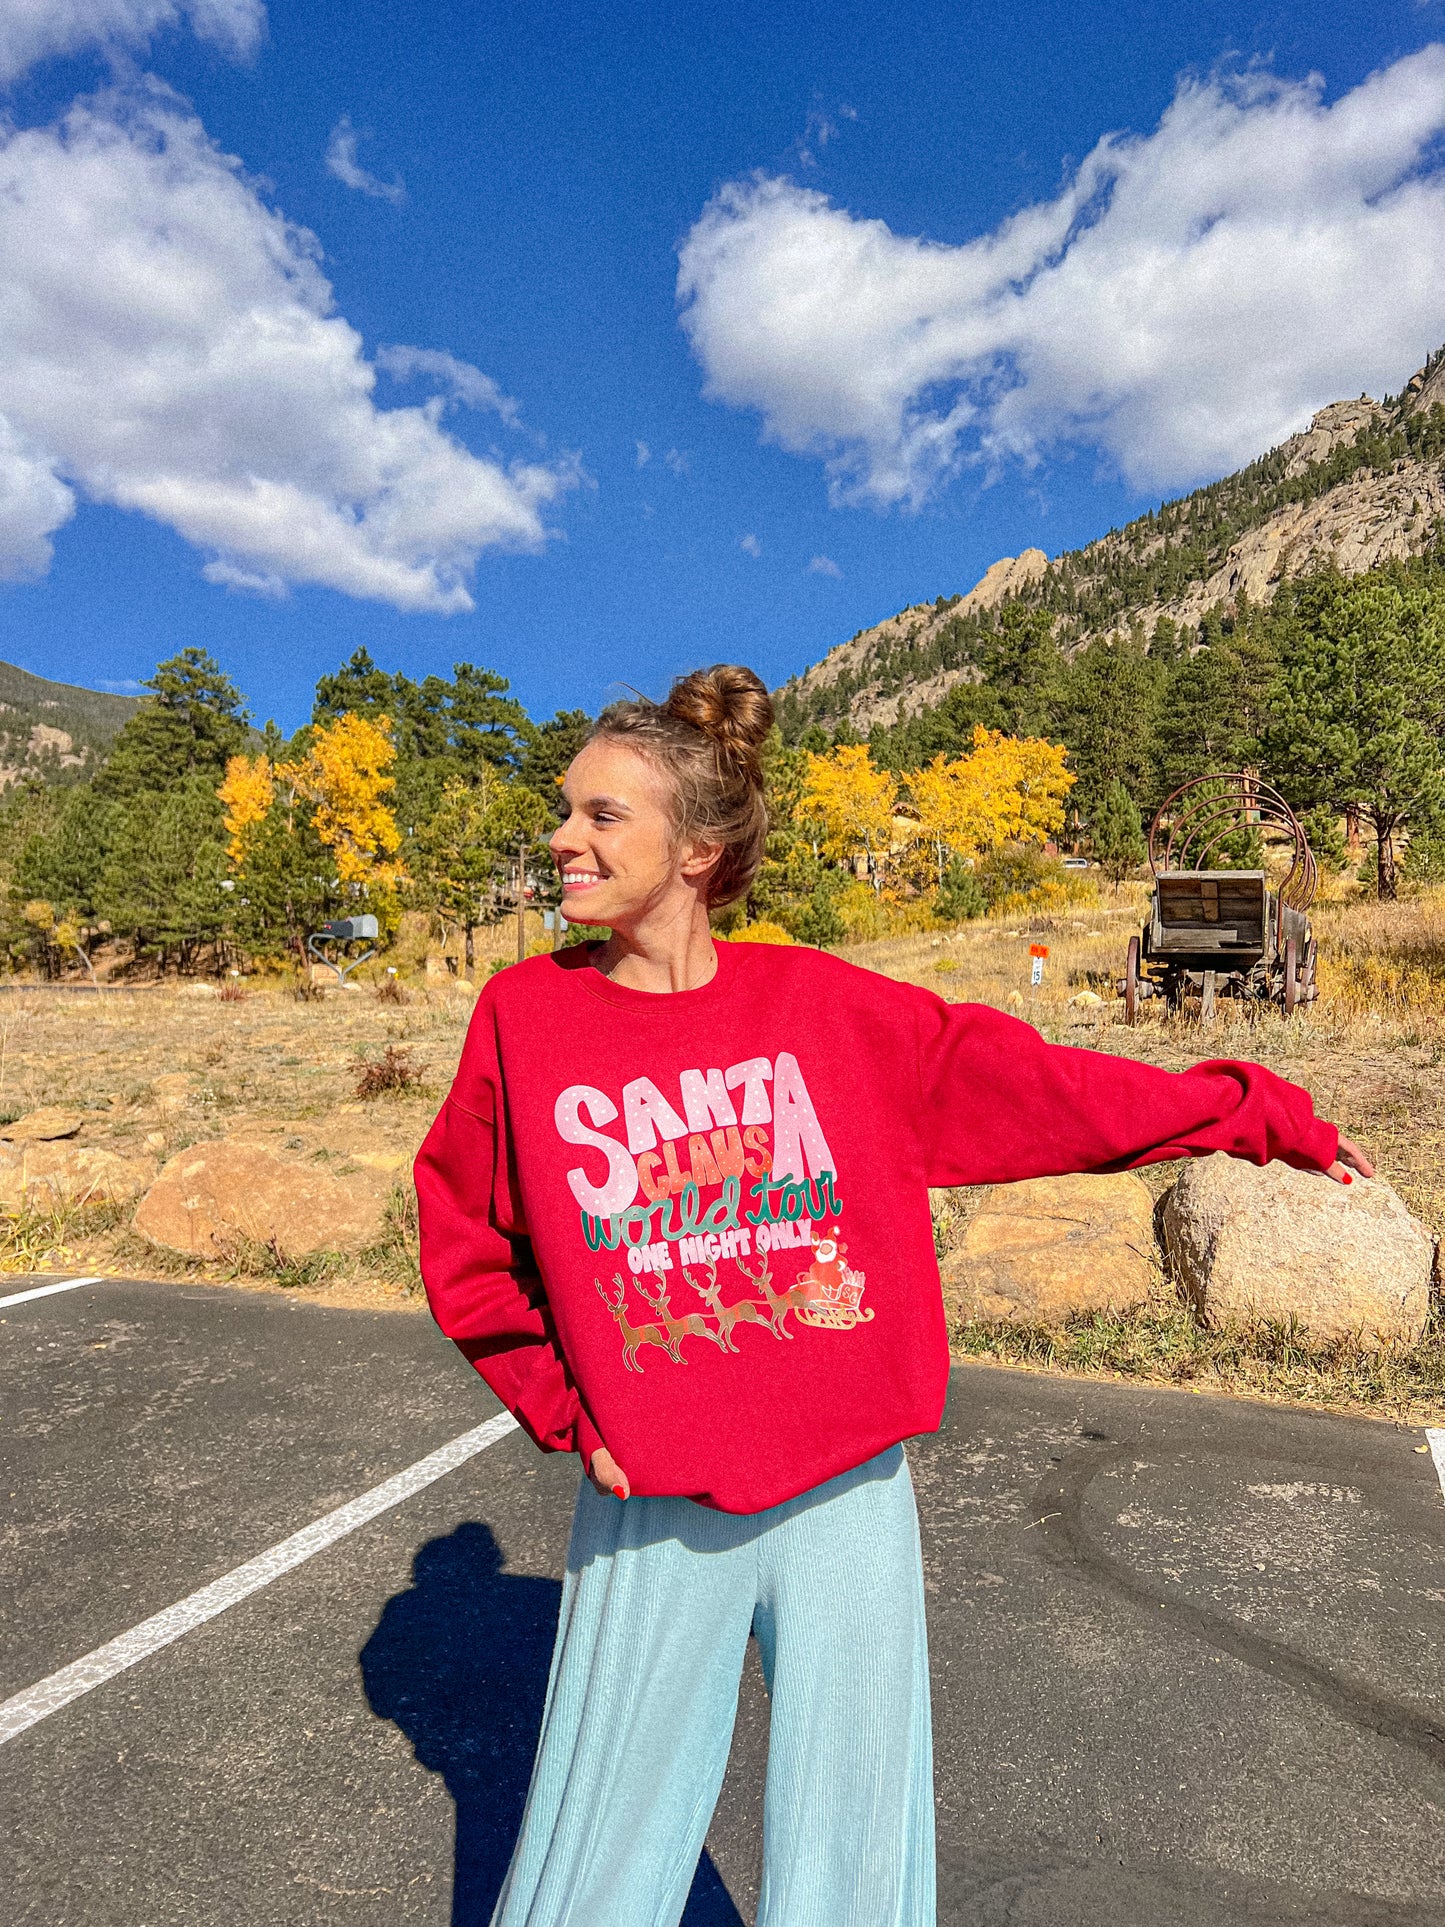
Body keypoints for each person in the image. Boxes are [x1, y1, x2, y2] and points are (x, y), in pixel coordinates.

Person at [415, 664, 1370, 1927]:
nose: (561, 838)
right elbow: (464, 1237)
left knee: (855, 1846)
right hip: (652, 1496)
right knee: (596, 1854)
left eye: (601, 816)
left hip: (846, 1487)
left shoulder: (826, 1011)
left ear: (696, 849)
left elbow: (1054, 1091)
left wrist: (1257, 1111)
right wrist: (565, 1406)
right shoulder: (527, 1015)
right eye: (566, 809)